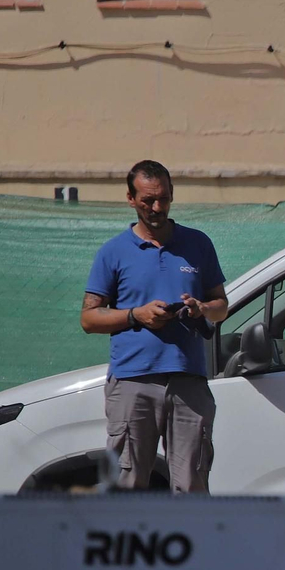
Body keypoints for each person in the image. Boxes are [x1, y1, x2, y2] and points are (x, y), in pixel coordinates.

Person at [81, 160, 228, 491]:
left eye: (163, 198)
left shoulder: (198, 244)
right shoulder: (113, 252)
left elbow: (222, 306)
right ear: (131, 199)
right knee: (125, 484)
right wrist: (136, 315)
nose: (157, 207)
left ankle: (190, 543)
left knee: (191, 483)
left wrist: (201, 308)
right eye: (147, 200)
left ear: (172, 194)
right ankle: (123, 543)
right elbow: (89, 318)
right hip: (132, 381)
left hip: (188, 381)